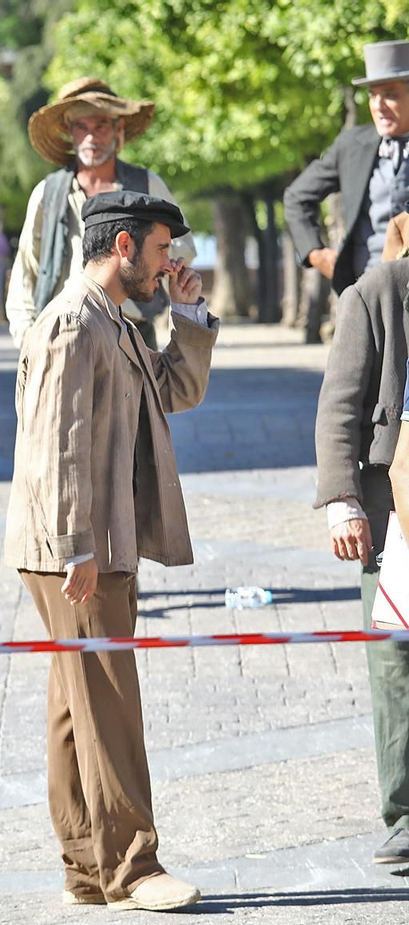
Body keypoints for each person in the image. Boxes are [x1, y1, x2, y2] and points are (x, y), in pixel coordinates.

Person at [6, 191, 215, 911]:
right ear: (122, 245)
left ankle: (88, 870)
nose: (170, 264)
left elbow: (174, 391)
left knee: (78, 706)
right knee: (111, 702)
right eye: (161, 250)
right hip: (79, 547)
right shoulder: (70, 322)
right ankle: (134, 867)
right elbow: (54, 448)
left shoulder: (113, 321)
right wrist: (76, 546)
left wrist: (185, 317)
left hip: (95, 543)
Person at [326, 228, 409, 868]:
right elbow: (339, 408)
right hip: (396, 507)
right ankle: (406, 816)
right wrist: (342, 502)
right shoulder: (377, 293)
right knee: (396, 660)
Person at [7, 77, 195, 349]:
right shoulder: (48, 192)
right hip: (62, 335)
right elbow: (26, 271)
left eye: (100, 126)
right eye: (81, 127)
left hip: (133, 335)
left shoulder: (146, 186)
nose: (91, 137)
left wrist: (161, 263)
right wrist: (29, 338)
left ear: (118, 128)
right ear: (70, 133)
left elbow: (181, 248)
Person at [286, 40, 409, 296]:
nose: (378, 106)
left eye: (390, 95)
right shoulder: (352, 145)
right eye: (373, 95)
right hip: (367, 292)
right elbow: (297, 196)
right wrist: (315, 253)